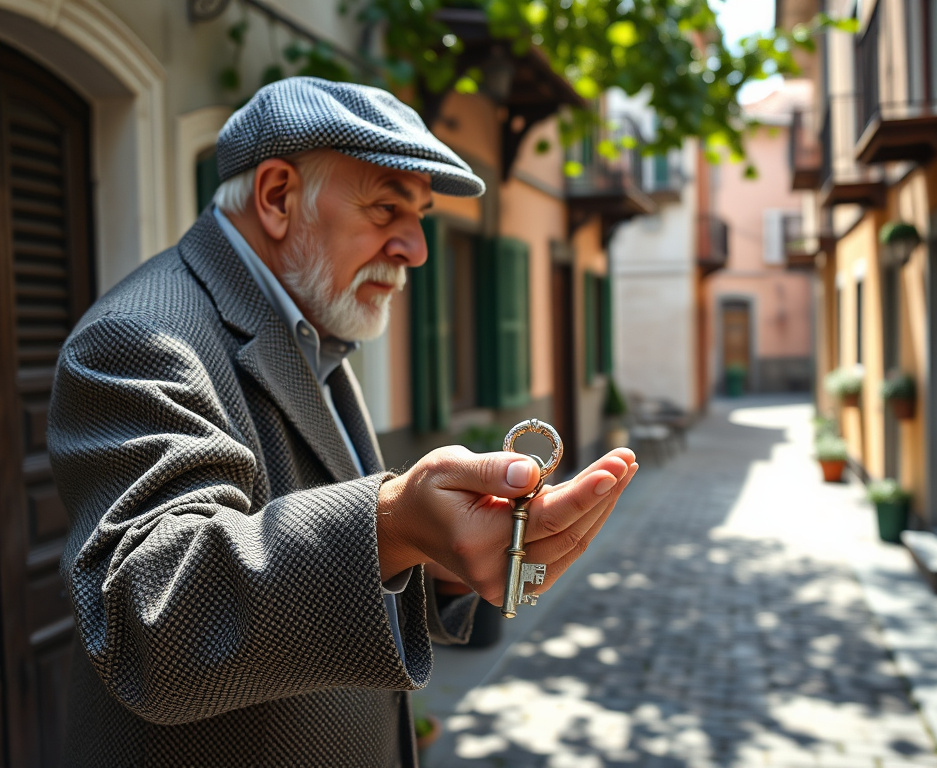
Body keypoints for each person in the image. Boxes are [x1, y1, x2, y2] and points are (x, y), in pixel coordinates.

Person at [48, 77, 638, 768]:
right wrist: (392, 523)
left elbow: (338, 583)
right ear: (276, 197)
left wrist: (443, 559)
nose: (416, 248)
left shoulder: (310, 323)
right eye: (388, 208)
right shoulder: (138, 337)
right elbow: (154, 623)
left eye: (420, 215)